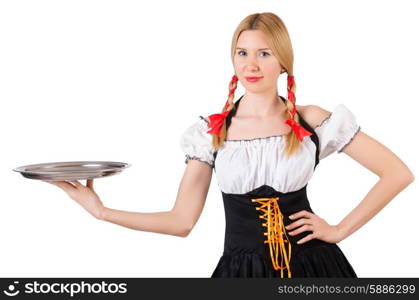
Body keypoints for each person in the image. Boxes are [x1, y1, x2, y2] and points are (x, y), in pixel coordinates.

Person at [43, 12, 414, 278]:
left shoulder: (310, 120)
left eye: (264, 53)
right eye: (242, 53)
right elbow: (181, 221)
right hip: (241, 274)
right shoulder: (211, 133)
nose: (251, 65)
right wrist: (101, 211)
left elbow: (397, 173)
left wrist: (338, 230)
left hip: (315, 268)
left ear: (283, 62)